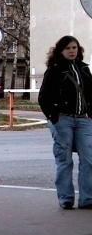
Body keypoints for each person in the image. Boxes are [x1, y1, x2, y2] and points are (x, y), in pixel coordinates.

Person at [38, 35, 92, 210]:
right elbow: (44, 97)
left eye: (74, 48)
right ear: (61, 50)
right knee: (65, 160)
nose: (72, 51)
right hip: (63, 120)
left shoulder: (84, 69)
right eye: (68, 48)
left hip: (83, 120)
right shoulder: (55, 70)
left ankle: (87, 199)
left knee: (88, 159)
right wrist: (54, 118)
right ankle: (66, 198)